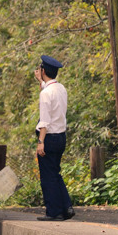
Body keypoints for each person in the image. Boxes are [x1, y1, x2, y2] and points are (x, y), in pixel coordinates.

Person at [34, 55, 74, 221]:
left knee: (48, 176)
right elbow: (48, 89)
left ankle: (54, 212)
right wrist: (40, 81)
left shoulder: (45, 94)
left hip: (49, 138)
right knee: (55, 172)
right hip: (61, 137)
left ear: (43, 71)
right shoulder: (61, 89)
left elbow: (44, 121)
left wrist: (41, 142)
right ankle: (66, 207)